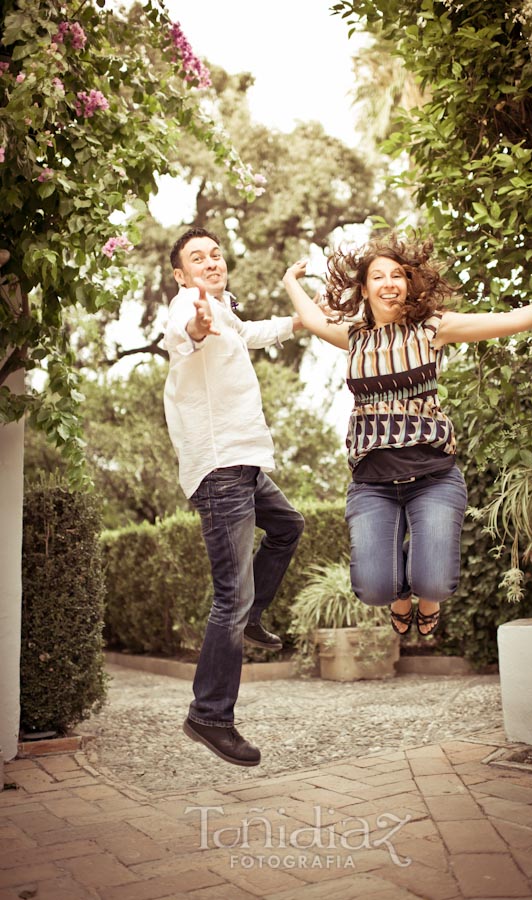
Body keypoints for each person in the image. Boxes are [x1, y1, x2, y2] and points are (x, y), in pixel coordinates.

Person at [282, 233, 532, 640]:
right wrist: (291, 280)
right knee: (373, 589)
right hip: (372, 483)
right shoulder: (355, 337)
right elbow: (310, 319)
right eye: (378, 276)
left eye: (398, 274)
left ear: (409, 283)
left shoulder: (433, 328)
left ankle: (426, 599)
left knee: (433, 583)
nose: (389, 283)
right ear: (365, 288)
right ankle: (399, 597)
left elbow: (508, 320)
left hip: (433, 477)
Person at [163, 227, 305, 767]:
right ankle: (210, 714)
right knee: (230, 596)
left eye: (215, 254)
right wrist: (198, 324)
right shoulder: (187, 309)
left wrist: (300, 322)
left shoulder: (224, 312)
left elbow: (251, 332)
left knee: (289, 526)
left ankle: (252, 615)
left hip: (243, 464)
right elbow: (187, 331)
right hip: (221, 468)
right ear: (181, 275)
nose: (211, 261)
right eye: (197, 258)